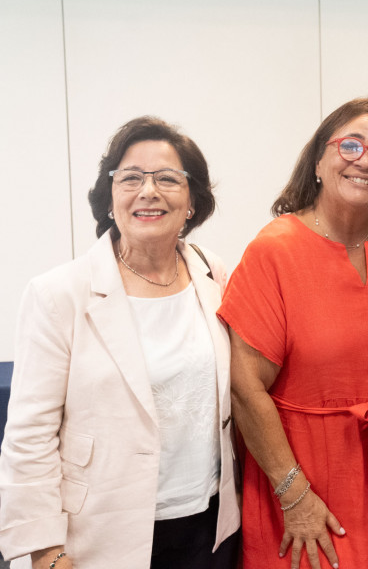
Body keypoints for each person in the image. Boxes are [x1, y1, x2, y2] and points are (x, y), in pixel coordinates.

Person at [0, 117, 240, 568]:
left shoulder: (214, 273)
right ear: (110, 199)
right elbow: (29, 439)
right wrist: (47, 551)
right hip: (101, 536)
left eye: (168, 178)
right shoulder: (58, 295)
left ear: (192, 201)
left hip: (208, 524)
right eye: (130, 178)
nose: (148, 191)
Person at [219, 98, 368, 569]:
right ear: (319, 159)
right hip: (306, 478)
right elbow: (244, 389)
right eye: (351, 145)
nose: (366, 160)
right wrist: (294, 494)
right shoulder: (273, 252)